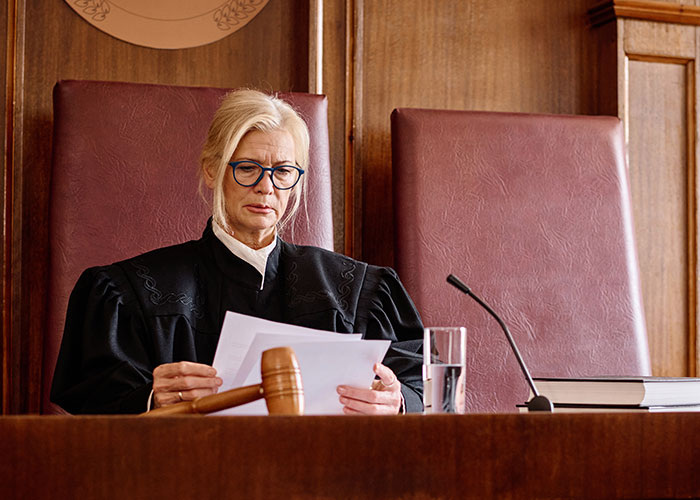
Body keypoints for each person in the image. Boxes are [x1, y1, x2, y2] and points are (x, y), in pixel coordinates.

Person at [51, 89, 424, 415]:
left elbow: (422, 381)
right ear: (212, 171)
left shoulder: (358, 292)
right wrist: (150, 397)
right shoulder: (130, 292)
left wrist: (397, 400)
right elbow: (92, 398)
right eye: (248, 168)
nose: (266, 187)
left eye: (283, 171)